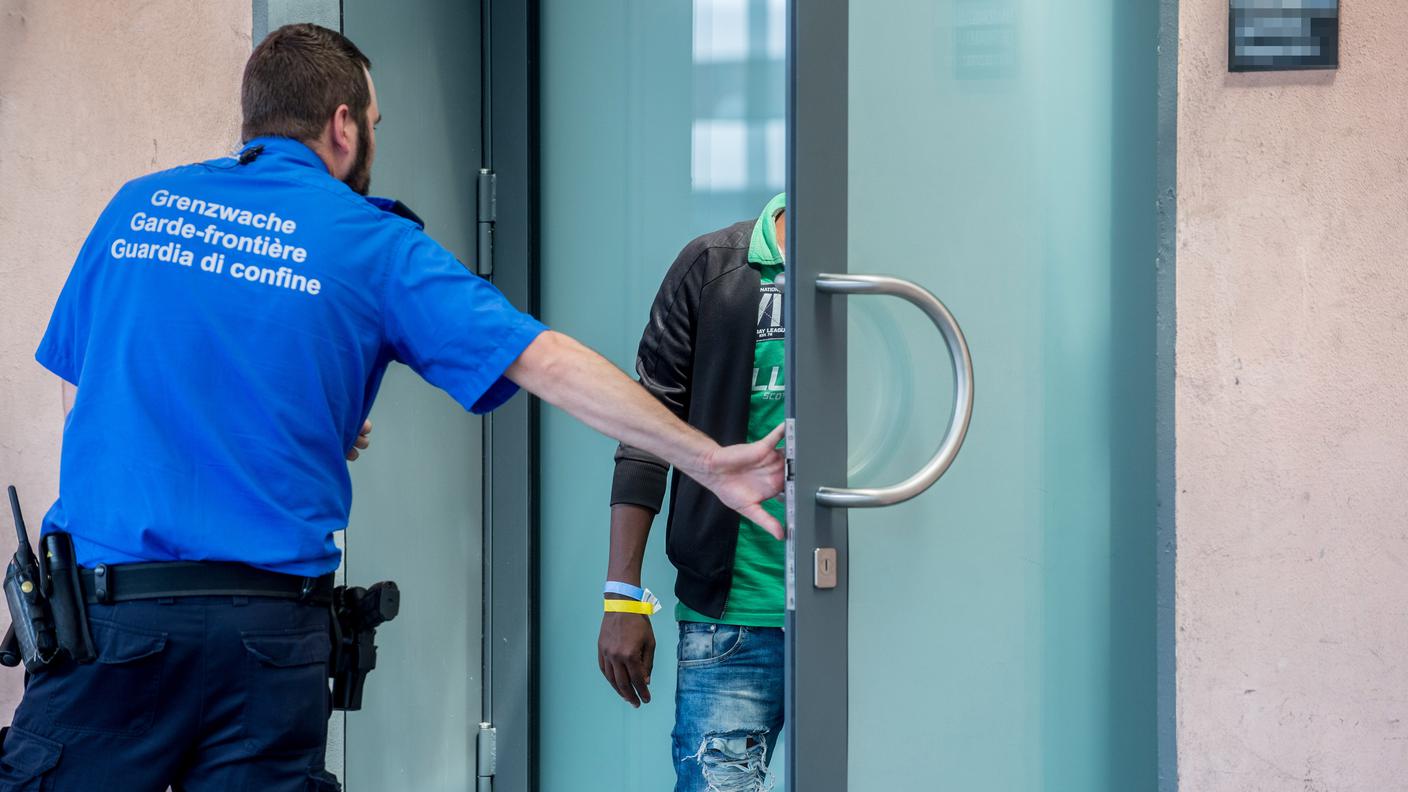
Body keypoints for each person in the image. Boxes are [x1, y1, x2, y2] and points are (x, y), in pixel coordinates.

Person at [0, 24, 783, 791]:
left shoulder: (138, 210)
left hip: (108, 621)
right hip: (266, 645)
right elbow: (545, 359)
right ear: (342, 126)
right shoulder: (371, 243)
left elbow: (87, 388)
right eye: (373, 124)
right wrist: (709, 459)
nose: (372, 141)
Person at [599, 193, 788, 791]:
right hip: (731, 625)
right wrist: (622, 598)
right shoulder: (715, 267)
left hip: (871, 618)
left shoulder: (881, 273)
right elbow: (644, 433)